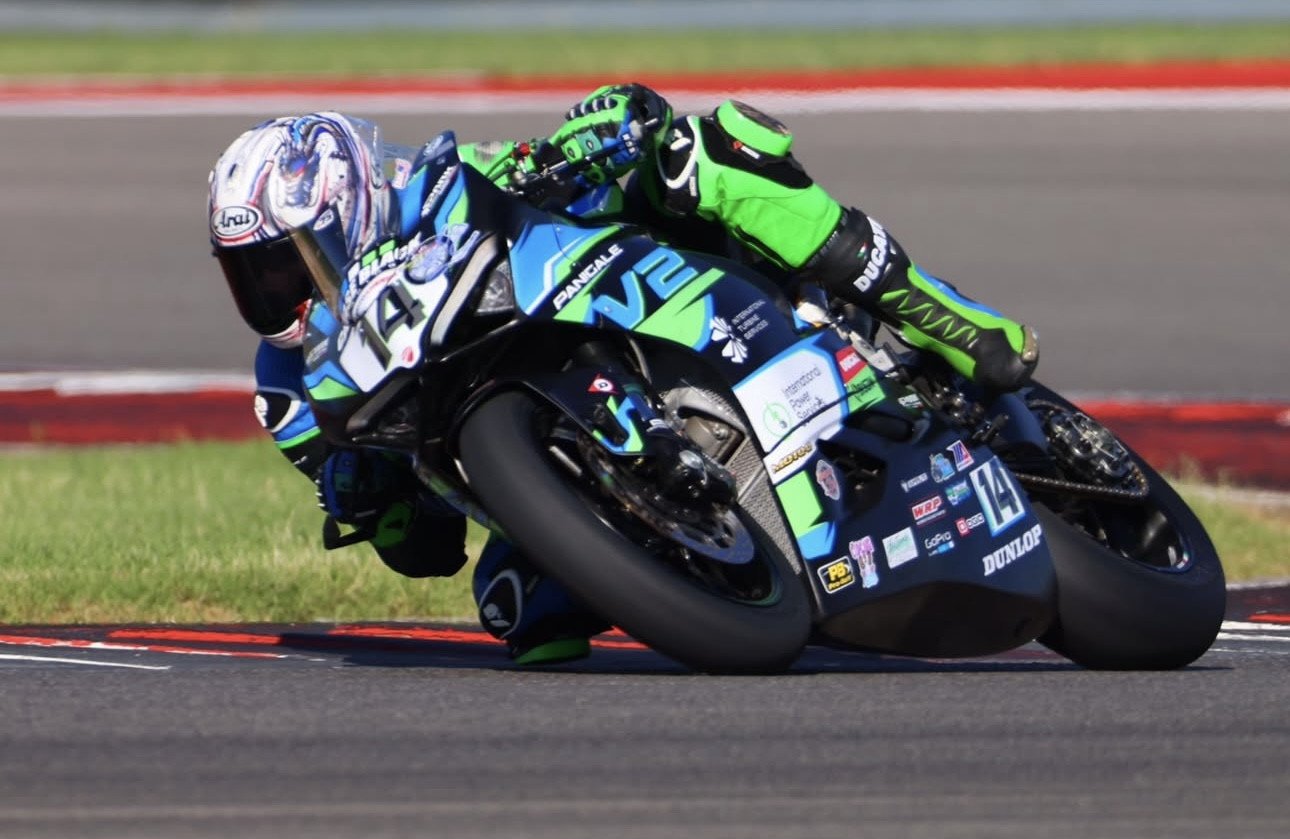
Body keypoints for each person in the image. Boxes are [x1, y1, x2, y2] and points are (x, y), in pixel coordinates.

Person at [207, 85, 1038, 665]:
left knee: (706, 152)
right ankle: (706, 540)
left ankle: (944, 316)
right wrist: (369, 499)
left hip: (627, 295)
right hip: (555, 485)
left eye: (287, 264)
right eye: (252, 278)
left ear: (348, 209)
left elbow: (600, 126)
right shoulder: (291, 391)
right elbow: (430, 553)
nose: (275, 293)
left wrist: (600, 130)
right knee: (522, 615)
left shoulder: (434, 189)